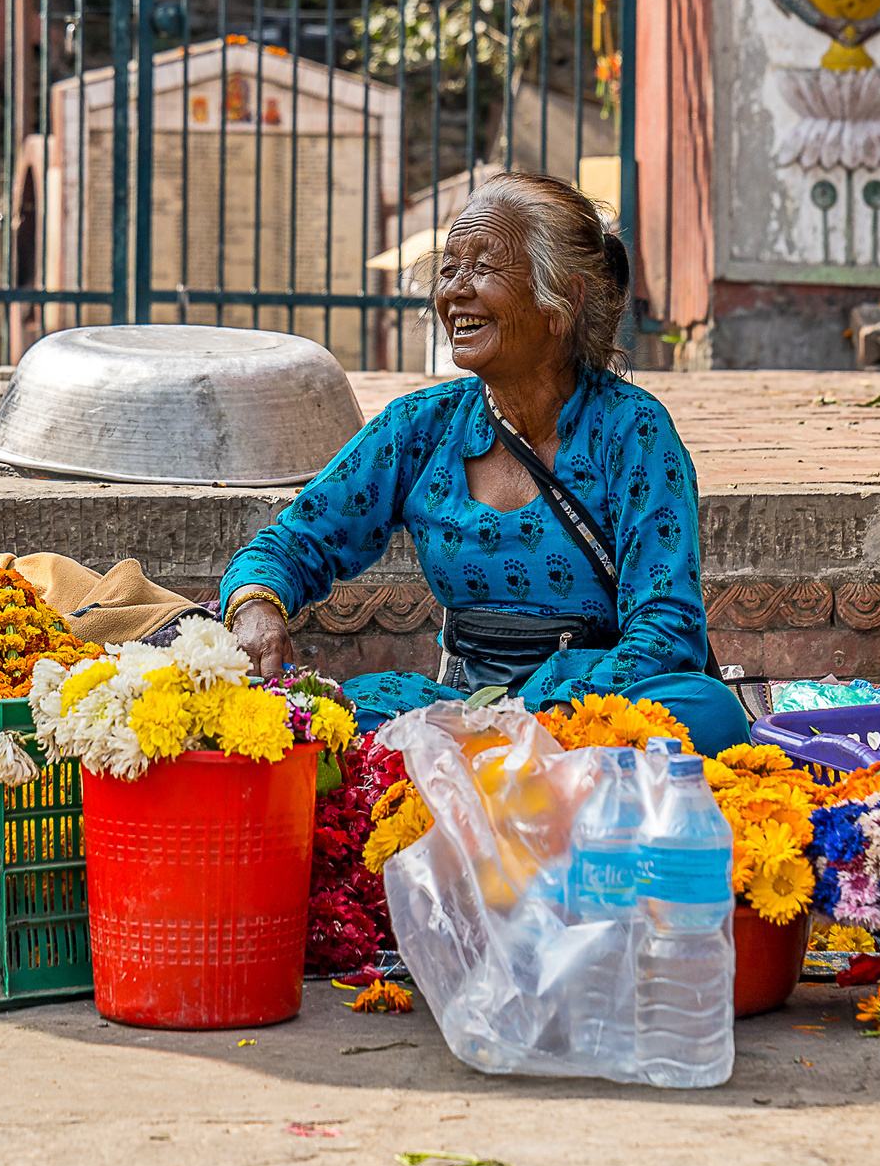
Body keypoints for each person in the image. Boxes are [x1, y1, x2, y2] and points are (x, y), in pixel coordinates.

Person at [216, 172, 751, 756]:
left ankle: (480, 762)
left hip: (589, 708)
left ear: (562, 301)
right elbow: (293, 543)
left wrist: (530, 718)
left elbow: (666, 629)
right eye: (449, 268)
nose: (455, 292)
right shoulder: (421, 426)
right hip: (463, 706)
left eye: (484, 268)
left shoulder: (631, 431)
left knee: (709, 714)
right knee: (330, 716)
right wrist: (256, 603)